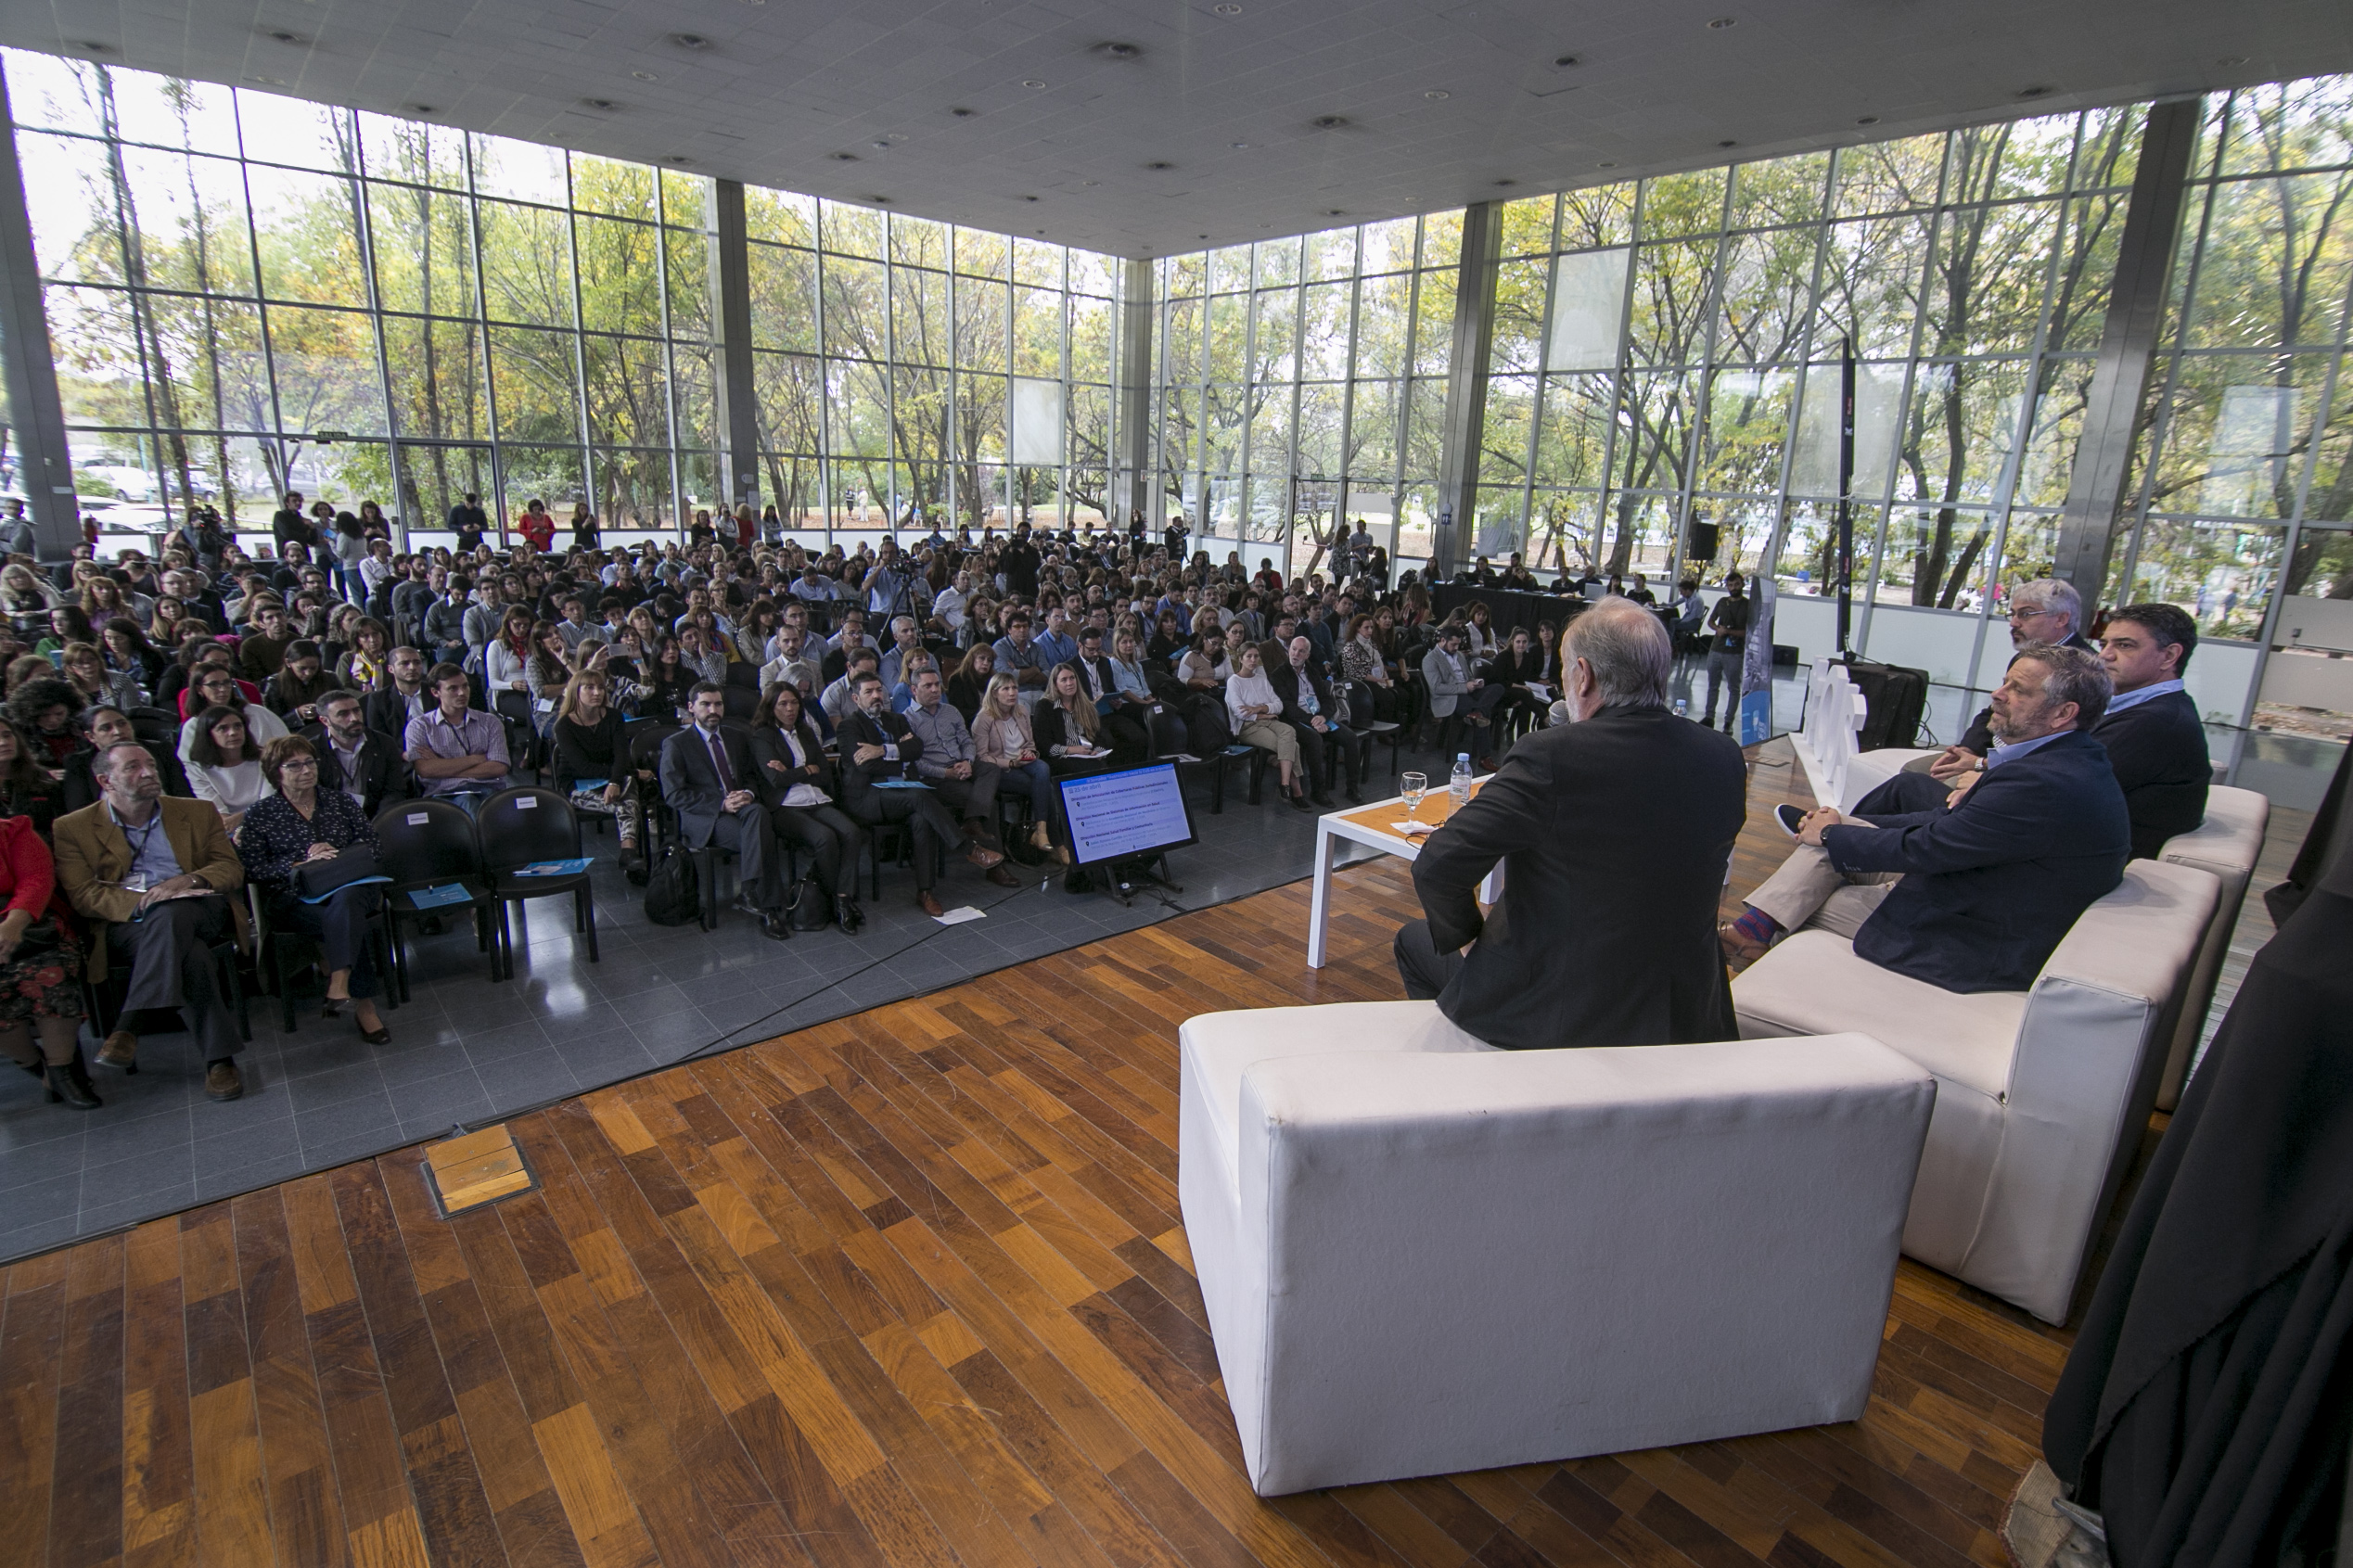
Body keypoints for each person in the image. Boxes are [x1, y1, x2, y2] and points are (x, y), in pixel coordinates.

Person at [1393, 600, 1747, 1050]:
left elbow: (1438, 865)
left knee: (1413, 940)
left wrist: (1469, 944)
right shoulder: (1724, 757)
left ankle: (1469, 1078)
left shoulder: (1551, 755)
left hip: (1561, 1006)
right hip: (1684, 1007)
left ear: (1583, 675)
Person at [1720, 644, 2129, 992]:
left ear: (2063, 713)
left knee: (1813, 895)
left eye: (2017, 689)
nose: (1997, 693)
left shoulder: (2043, 782)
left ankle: (1752, 934)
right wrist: (1838, 825)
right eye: (2005, 682)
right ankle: (1753, 933)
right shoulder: (2059, 760)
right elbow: (1944, 823)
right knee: (1835, 842)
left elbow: (1933, 846)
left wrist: (1830, 835)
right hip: (1974, 892)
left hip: (1976, 937)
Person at [1858, 603, 2210, 861]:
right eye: (2106, 644)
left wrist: (1983, 774)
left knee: (1911, 787)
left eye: (2125, 645)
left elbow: (2060, 780)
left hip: (2060, 845)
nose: (2106, 656)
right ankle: (1840, 839)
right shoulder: (2145, 708)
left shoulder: (2155, 722)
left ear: (2170, 656)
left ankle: (1838, 843)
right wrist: (1983, 768)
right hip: (2051, 825)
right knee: (1911, 785)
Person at [53, 742, 249, 1100]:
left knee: (174, 911)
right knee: (191, 956)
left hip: (198, 905)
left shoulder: (196, 811)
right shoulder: (73, 828)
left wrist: (185, 881)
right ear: (105, 780)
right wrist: (146, 902)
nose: (147, 772)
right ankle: (219, 1061)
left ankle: (131, 1024)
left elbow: (229, 868)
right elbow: (84, 895)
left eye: (150, 764)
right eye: (131, 767)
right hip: (127, 921)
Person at [238, 736, 390, 1042]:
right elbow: (252, 869)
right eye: (294, 765)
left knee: (346, 903)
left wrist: (335, 853)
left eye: (309, 762)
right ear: (275, 771)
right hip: (294, 897)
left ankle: (341, 982)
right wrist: (301, 863)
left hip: (351, 884)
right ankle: (361, 1000)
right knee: (344, 919)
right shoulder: (260, 814)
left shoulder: (340, 802)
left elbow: (374, 847)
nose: (305, 770)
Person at [835, 670, 1000, 917]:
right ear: (856, 699)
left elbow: (916, 748)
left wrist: (882, 750)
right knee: (921, 797)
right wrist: (900, 756)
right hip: (870, 797)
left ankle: (926, 891)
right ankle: (969, 848)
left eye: (879, 690)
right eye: (868, 692)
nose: (876, 696)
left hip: (903, 792)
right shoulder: (849, 727)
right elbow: (866, 766)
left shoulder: (895, 720)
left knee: (921, 816)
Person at [660, 682, 792, 940]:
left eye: (718, 704)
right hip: (707, 816)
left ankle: (749, 891)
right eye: (705, 704)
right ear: (691, 708)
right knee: (761, 833)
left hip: (742, 807)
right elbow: (674, 795)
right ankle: (769, 909)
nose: (713, 710)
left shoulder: (737, 736)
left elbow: (753, 777)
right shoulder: (676, 744)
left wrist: (749, 794)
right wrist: (721, 804)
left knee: (759, 814)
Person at [748, 682, 865, 931]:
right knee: (825, 838)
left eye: (794, 703)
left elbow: (824, 774)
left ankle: (842, 898)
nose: (790, 709)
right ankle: (838, 901)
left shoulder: (806, 732)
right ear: (771, 707)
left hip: (815, 798)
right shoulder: (762, 736)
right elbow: (775, 780)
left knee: (851, 832)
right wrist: (806, 769)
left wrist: (794, 771)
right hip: (785, 806)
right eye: (783, 704)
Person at [0, 804, 93, 1107]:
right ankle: (43, 1071)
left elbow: (37, 879)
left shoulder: (14, 831)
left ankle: (62, 1070)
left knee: (50, 974)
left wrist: (15, 921)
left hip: (33, 925)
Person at [905, 668, 1019, 881]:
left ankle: (972, 821)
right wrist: (946, 773)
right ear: (914, 690)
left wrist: (967, 761)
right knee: (989, 805)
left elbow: (967, 741)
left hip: (962, 765)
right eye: (927, 686)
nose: (934, 689)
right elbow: (913, 763)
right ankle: (995, 866)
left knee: (991, 767)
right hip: (936, 776)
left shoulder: (951, 711)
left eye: (937, 684)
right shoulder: (907, 719)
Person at [971, 672, 1067, 864]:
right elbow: (982, 758)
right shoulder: (984, 719)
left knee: (1042, 768)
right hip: (999, 770)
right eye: (1006, 689)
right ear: (995, 693)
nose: (1012, 693)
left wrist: (1029, 754)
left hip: (1024, 763)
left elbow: (1030, 743)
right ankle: (1056, 844)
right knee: (1045, 787)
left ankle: (1041, 832)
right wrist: (1012, 763)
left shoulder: (1021, 711)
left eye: (1014, 688)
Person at [1270, 633, 1369, 806]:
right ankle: (1318, 791)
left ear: (1307, 655)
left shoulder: (1312, 670)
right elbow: (1288, 707)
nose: (1296, 654)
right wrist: (1312, 721)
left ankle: (1352, 788)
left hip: (1319, 718)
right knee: (1314, 739)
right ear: (1288, 650)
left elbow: (1327, 698)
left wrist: (1323, 716)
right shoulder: (1279, 674)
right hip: (1295, 720)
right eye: (1293, 649)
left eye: (1301, 651)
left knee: (1350, 737)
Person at [550, 671, 636, 860]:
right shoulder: (563, 726)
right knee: (625, 801)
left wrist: (615, 781)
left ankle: (629, 854)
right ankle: (629, 853)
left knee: (627, 786)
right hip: (577, 783)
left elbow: (622, 755)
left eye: (600, 687)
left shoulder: (613, 716)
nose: (597, 692)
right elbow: (583, 767)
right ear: (575, 692)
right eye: (589, 688)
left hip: (609, 780)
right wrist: (625, 773)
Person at [403, 663, 509, 813]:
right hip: (445, 794)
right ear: (435, 692)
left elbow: (499, 767)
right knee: (468, 803)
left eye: (465, 686)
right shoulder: (420, 726)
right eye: (453, 688)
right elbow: (425, 770)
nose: (462, 693)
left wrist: (441, 765)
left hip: (488, 790)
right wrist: (476, 759)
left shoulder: (490, 721)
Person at [1225, 641, 1311, 810]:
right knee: (1292, 746)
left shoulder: (1261, 679)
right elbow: (1240, 712)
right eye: (1248, 656)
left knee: (1289, 730)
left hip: (1270, 721)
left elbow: (1278, 705)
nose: (1253, 660)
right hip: (1247, 726)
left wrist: (1259, 708)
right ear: (1241, 659)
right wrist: (1264, 713)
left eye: (1256, 656)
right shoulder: (1234, 681)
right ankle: (1297, 792)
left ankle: (1284, 783)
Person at [304, 687, 410, 817]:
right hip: (331, 820)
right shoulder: (311, 750)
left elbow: (394, 791)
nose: (354, 718)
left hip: (376, 817)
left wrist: (381, 821)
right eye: (343, 714)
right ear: (325, 721)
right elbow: (311, 796)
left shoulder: (384, 743)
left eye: (357, 710)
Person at [184, 702, 272, 837]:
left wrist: (242, 818)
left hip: (266, 816)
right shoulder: (197, 767)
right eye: (223, 728)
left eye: (238, 726)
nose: (233, 733)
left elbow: (268, 803)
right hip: (226, 823)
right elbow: (217, 810)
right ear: (209, 735)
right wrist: (233, 826)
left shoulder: (266, 758)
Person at [1701, 571, 1750, 730]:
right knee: (1712, 685)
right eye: (1730, 585)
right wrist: (1717, 629)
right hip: (1716, 648)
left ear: (1742, 584)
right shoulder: (1722, 602)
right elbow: (1710, 621)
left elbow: (1748, 631)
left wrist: (1729, 632)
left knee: (1733, 687)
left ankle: (1728, 721)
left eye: (1736, 584)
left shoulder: (1747, 605)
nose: (1733, 588)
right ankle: (1709, 717)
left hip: (1735, 652)